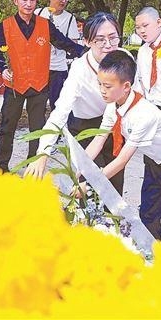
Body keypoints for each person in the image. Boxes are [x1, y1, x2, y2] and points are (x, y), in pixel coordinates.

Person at [77, 51, 161, 240]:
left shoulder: (142, 114)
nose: (102, 90)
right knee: (149, 213)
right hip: (155, 159)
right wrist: (78, 171)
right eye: (100, 84)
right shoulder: (113, 105)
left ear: (126, 86)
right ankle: (152, 257)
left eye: (107, 86)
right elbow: (98, 141)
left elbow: (123, 160)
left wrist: (91, 183)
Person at [25, 12, 130, 194]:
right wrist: (43, 152)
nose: (108, 45)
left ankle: (114, 222)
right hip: (85, 129)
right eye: (100, 40)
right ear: (87, 41)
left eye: (113, 38)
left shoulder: (124, 58)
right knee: (90, 188)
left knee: (114, 186)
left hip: (115, 125)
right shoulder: (79, 69)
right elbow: (60, 112)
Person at [0, 0, 85, 172]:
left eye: (32, 0)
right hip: (15, 85)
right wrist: (3, 68)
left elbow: (62, 42)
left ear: (37, 1)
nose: (28, 4)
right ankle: (1, 166)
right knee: (7, 127)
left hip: (39, 84)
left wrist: (85, 52)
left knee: (38, 129)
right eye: (24, 0)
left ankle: (33, 165)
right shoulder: (6, 25)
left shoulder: (44, 24)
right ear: (16, 1)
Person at [36, 0, 82, 110]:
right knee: (37, 104)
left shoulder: (70, 18)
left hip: (58, 68)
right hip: (39, 67)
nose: (63, 1)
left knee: (57, 104)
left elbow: (73, 43)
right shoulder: (38, 13)